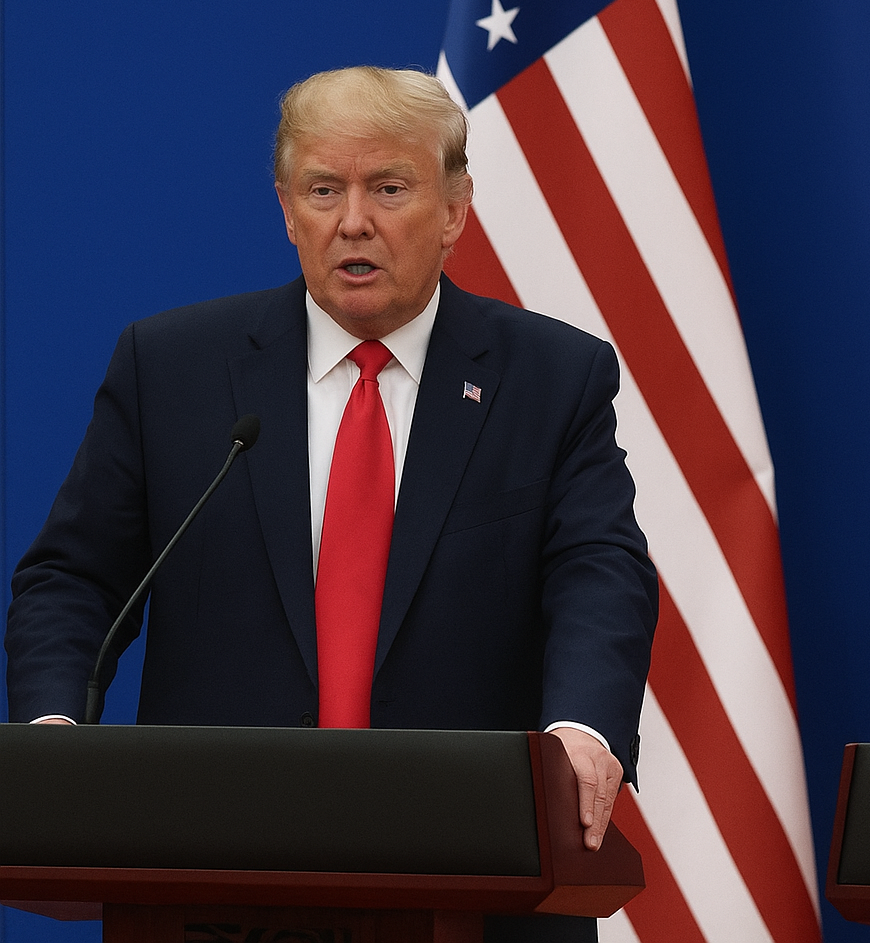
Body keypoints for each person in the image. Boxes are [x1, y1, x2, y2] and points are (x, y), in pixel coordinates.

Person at [6, 67, 658, 942]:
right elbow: (75, 579)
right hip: (209, 882)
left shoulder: (553, 378)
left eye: (389, 188)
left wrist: (580, 728)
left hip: (476, 881)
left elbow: (599, 572)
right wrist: (52, 729)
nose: (354, 220)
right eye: (324, 189)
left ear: (456, 208)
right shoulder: (172, 370)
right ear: (287, 210)